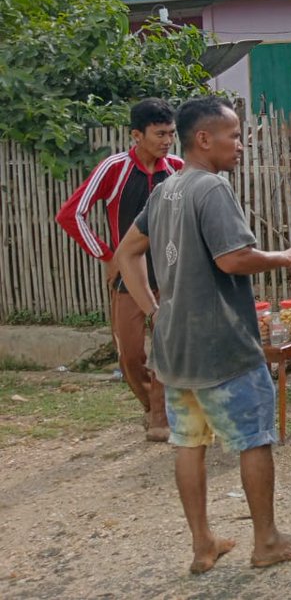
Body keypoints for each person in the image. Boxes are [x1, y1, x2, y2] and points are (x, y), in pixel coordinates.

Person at [114, 96, 291, 574]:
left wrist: (155, 312)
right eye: (234, 135)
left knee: (189, 443)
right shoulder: (211, 189)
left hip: (175, 347)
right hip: (222, 344)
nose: (241, 144)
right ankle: (266, 541)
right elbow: (233, 259)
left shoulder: (165, 190)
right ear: (204, 139)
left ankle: (203, 544)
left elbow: (126, 253)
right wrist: (285, 255)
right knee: (253, 439)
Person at [56, 98, 182, 442]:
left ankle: (162, 415)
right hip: (129, 276)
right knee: (130, 354)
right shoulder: (114, 167)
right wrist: (107, 255)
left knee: (165, 346)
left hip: (171, 274)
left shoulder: (177, 168)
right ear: (136, 135)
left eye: (171, 134)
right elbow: (70, 214)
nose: (167, 141)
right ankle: (150, 407)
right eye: (160, 134)